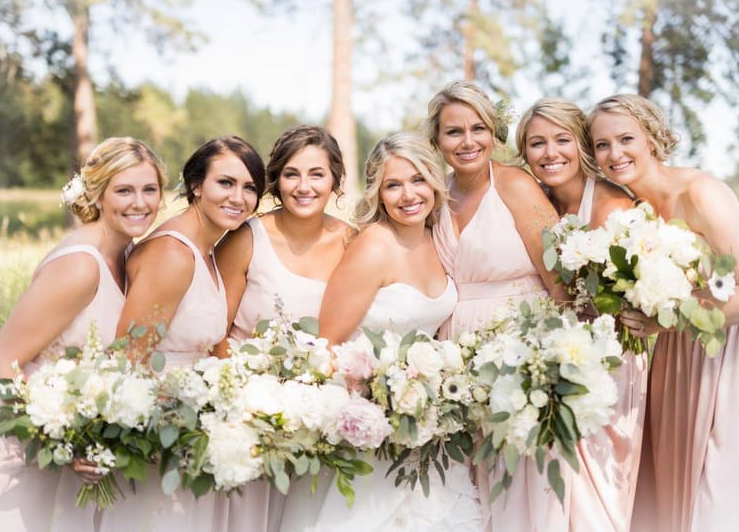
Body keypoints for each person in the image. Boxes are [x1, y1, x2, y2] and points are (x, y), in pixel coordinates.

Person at [280, 132, 481, 532]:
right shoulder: (374, 245)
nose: (408, 195)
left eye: (418, 179)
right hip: (371, 431)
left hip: (429, 432)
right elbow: (326, 345)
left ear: (435, 182)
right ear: (378, 192)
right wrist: (380, 398)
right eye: (394, 184)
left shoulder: (437, 238)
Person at [0, 137, 166, 531]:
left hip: (64, 439)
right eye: (124, 190)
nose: (140, 203)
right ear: (97, 194)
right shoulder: (81, 266)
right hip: (17, 442)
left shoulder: (125, 254)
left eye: (149, 189)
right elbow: (0, 360)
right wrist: (59, 443)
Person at [588, 94, 739, 532]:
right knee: (674, 490)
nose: (615, 154)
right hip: (675, 356)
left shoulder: (700, 192)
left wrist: (670, 318)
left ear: (652, 138)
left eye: (626, 138)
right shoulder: (632, 213)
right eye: (601, 145)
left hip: (729, 351)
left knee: (720, 491)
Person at [97, 136, 266, 532]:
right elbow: (128, 362)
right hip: (160, 439)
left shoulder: (205, 250)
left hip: (189, 432)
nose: (239, 198)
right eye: (225, 183)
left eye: (250, 188)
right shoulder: (173, 254)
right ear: (195, 185)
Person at [425, 80, 569, 531]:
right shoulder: (433, 195)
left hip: (521, 350)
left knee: (519, 479)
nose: (468, 142)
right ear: (437, 140)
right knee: (469, 484)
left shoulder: (517, 185)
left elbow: (560, 283)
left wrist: (555, 366)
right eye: (453, 132)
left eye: (478, 129)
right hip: (456, 357)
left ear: (494, 133)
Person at [516, 98, 647, 532]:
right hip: (557, 360)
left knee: (594, 499)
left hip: (611, 363)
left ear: (582, 145)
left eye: (561, 140)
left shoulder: (613, 208)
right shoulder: (539, 202)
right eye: (537, 143)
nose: (550, 153)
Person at [213, 125, 351, 532]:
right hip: (248, 414)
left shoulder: (352, 242)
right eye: (292, 174)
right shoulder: (245, 238)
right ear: (276, 180)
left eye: (316, 174)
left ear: (335, 181)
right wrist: (245, 401)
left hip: (317, 420)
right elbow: (213, 330)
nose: (303, 186)